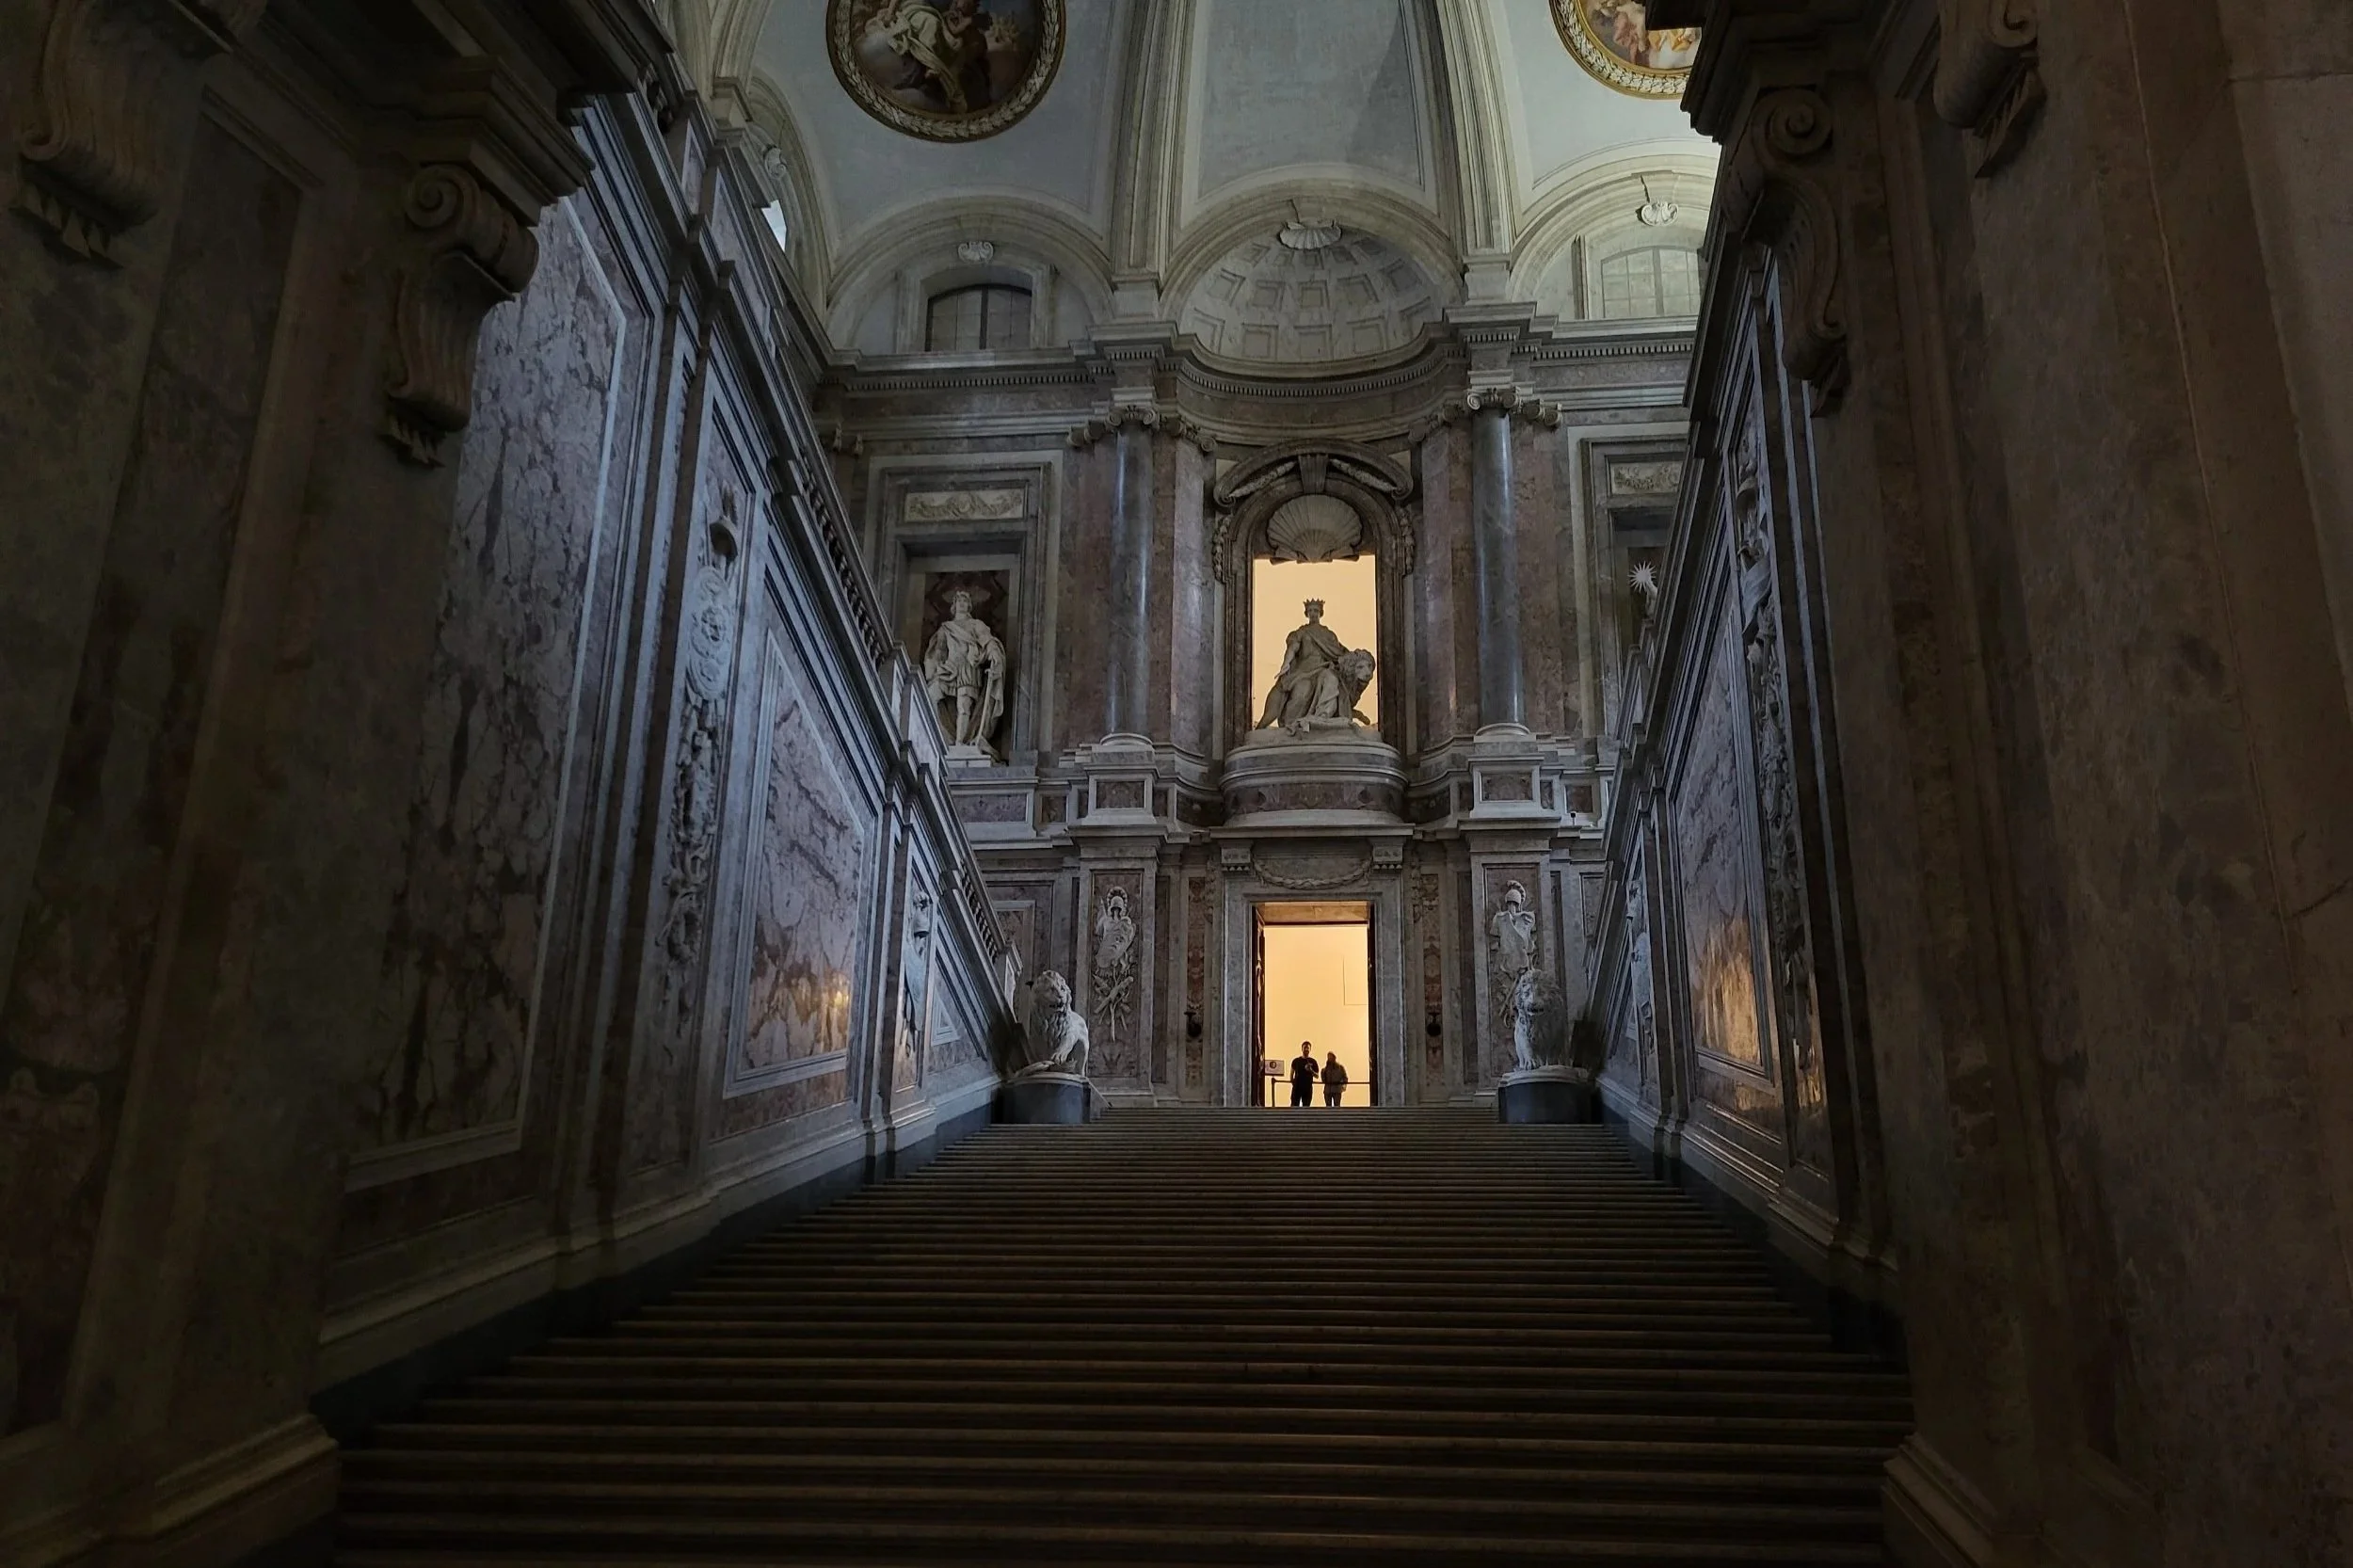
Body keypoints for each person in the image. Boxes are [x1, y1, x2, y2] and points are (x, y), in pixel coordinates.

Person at [1288, 1043, 1319, 1108]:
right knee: (1294, 1106)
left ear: (1310, 1050)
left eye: (1308, 1048)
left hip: (1308, 1088)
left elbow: (1317, 1076)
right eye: (1305, 1047)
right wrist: (1293, 1082)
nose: (1306, 1049)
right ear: (1302, 1049)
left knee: (1306, 1107)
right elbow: (1291, 1074)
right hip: (1297, 1087)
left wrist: (1310, 1070)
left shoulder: (1313, 1061)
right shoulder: (1296, 1061)